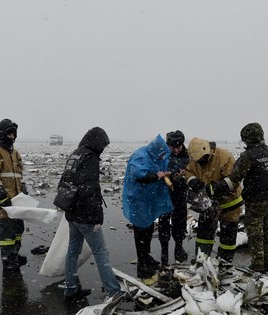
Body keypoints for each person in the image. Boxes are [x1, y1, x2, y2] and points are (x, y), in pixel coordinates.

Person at [60, 127, 123, 301]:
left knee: (73, 250)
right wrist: (96, 216)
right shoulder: (90, 158)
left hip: (72, 212)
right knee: (100, 251)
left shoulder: (75, 154)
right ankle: (113, 291)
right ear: (96, 142)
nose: (103, 148)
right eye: (102, 144)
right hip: (85, 214)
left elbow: (65, 181)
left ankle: (70, 289)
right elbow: (90, 189)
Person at [205, 123, 268, 273]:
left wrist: (213, 189)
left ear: (248, 139)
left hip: (256, 200)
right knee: (267, 233)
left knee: (255, 234)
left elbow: (234, 178)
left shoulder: (248, 156)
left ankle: (258, 267)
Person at [122, 135, 173, 280]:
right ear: (157, 150)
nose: (163, 157)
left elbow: (160, 170)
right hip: (138, 199)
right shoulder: (141, 156)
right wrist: (157, 175)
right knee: (141, 230)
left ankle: (146, 256)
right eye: (162, 154)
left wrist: (164, 175)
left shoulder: (155, 157)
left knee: (148, 227)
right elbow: (139, 175)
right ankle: (142, 261)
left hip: (148, 198)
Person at [186, 137, 243, 263]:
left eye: (201, 159)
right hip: (208, 205)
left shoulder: (224, 157)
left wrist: (213, 189)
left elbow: (233, 180)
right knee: (204, 234)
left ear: (207, 151)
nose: (200, 162)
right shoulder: (195, 160)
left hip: (230, 203)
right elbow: (188, 171)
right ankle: (201, 260)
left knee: (228, 236)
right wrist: (193, 181)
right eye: (197, 160)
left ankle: (224, 262)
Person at [0, 119, 29, 271]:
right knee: (7, 235)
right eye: (9, 133)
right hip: (2, 203)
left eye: (14, 133)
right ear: (1, 134)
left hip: (16, 200)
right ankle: (8, 260)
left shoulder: (14, 153)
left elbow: (17, 175)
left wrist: (22, 187)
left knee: (18, 230)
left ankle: (14, 255)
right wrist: (1, 194)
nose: (12, 136)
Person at [158, 130, 190, 265]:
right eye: (173, 147)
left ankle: (179, 246)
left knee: (180, 221)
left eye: (179, 147)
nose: (176, 150)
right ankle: (164, 251)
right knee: (164, 221)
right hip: (165, 194)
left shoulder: (188, 156)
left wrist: (183, 176)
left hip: (180, 194)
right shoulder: (162, 155)